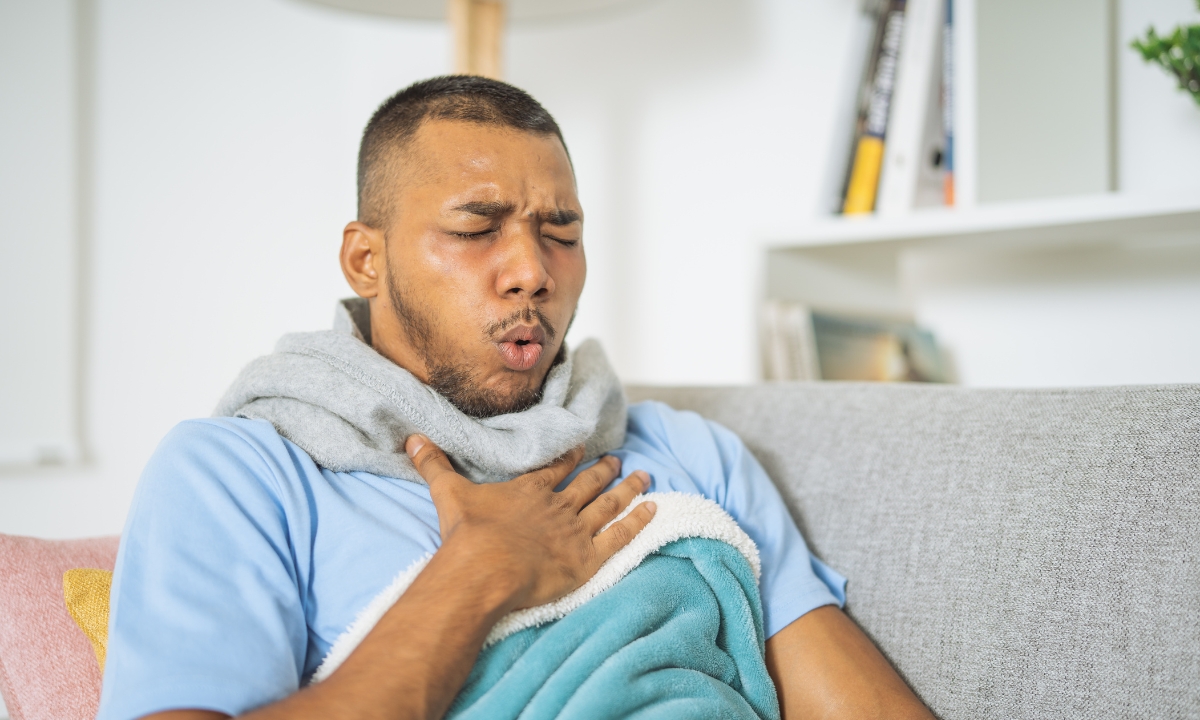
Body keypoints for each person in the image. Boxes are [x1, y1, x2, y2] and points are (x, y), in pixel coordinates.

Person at [97, 76, 933, 720]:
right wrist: (477, 573)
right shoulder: (239, 475)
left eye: (560, 231)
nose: (533, 269)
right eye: (476, 228)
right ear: (365, 261)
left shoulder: (688, 454)